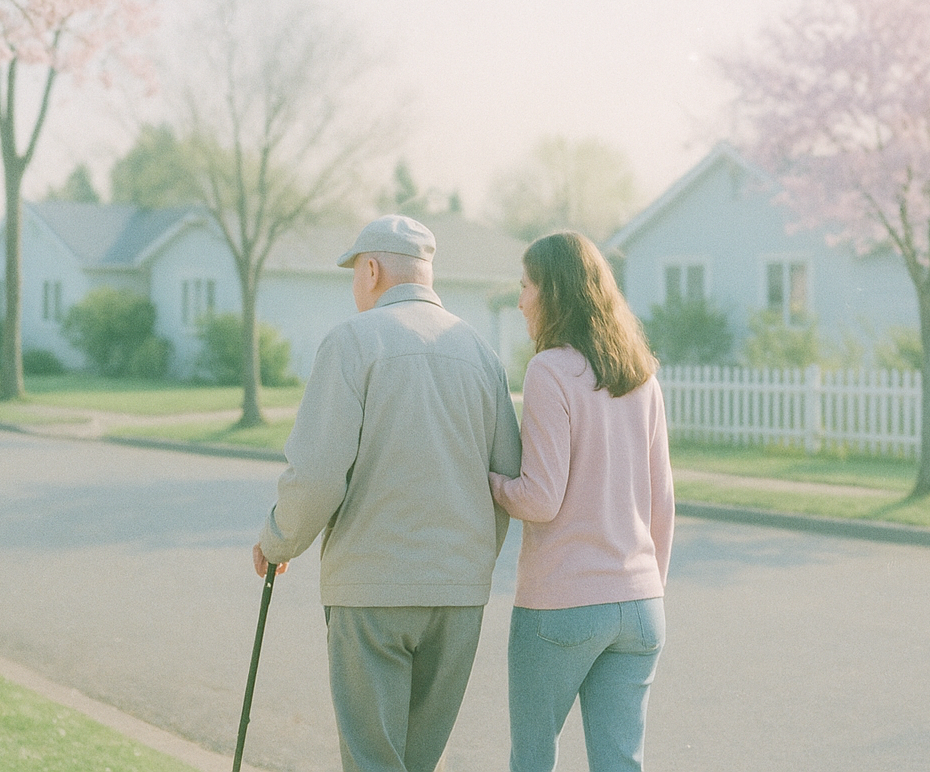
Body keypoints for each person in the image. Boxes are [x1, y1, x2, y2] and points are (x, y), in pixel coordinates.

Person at [253, 213, 522, 772]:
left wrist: (278, 541)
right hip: (457, 591)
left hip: (371, 590)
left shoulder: (352, 342)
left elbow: (318, 473)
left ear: (371, 269)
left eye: (355, 272)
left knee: (374, 762)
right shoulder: (480, 354)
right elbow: (506, 480)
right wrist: (468, 562)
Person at [489, 231, 675, 772]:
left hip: (561, 605)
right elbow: (662, 501)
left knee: (532, 760)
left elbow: (541, 499)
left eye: (526, 286)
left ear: (553, 291)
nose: (520, 299)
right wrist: (646, 589)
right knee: (621, 764)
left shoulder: (549, 370)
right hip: (641, 605)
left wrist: (491, 481)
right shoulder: (641, 377)